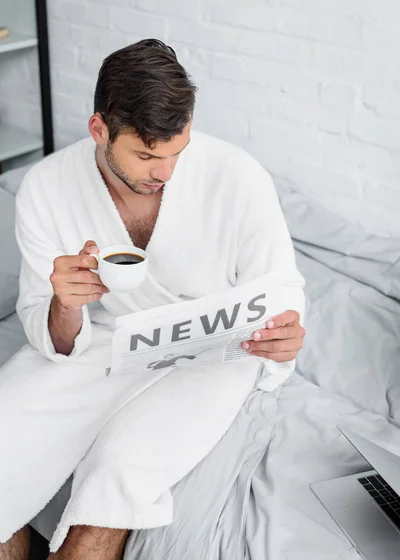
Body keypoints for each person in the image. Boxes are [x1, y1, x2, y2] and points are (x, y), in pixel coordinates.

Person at [0, 39, 306, 560]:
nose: (164, 173)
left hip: (209, 356)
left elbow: (280, 289)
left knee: (117, 476)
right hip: (100, 343)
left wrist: (286, 339)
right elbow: (45, 328)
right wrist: (65, 304)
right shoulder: (45, 188)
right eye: (145, 155)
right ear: (100, 130)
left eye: (177, 153)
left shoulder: (239, 177)